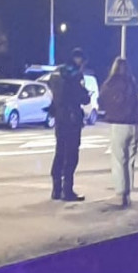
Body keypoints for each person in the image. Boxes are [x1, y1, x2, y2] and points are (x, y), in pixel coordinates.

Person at [47, 48, 91, 202]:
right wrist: (86, 95)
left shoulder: (56, 73)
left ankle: (56, 189)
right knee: (71, 155)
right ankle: (68, 190)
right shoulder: (75, 75)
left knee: (59, 152)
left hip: (59, 117)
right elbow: (82, 98)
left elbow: (55, 94)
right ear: (78, 59)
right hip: (72, 118)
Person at [99, 57, 138, 208]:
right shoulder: (132, 83)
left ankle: (120, 193)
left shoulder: (111, 83)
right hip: (134, 125)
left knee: (118, 159)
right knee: (130, 161)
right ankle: (128, 194)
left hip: (119, 124)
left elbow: (101, 100)